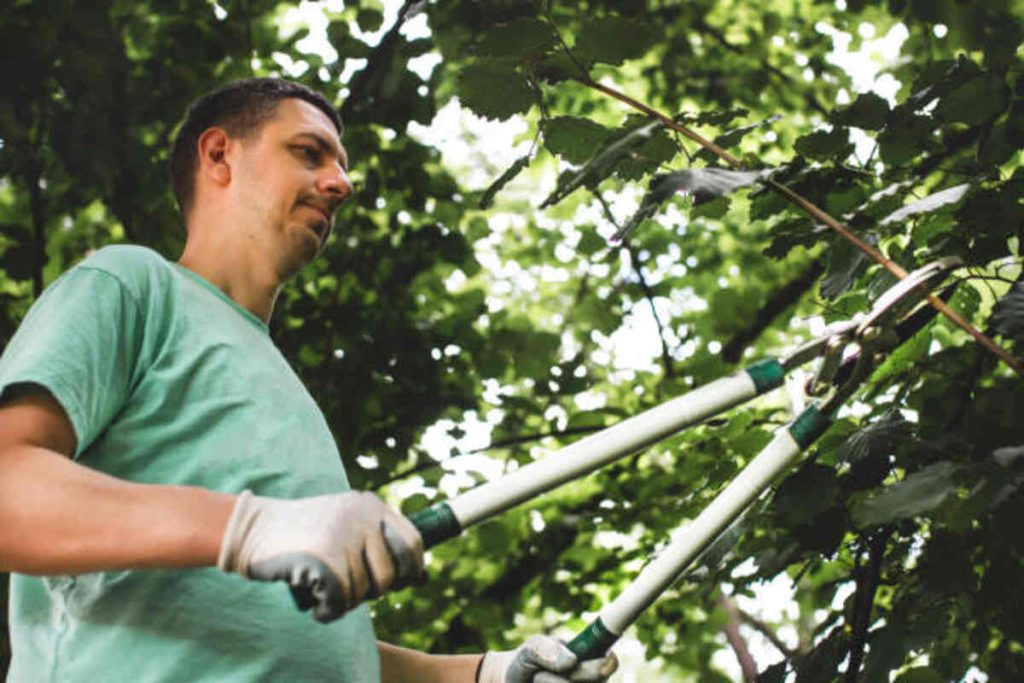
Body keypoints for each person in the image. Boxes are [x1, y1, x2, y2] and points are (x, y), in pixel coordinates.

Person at [0, 78, 618, 682]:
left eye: (341, 166)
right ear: (219, 155)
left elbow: (301, 643)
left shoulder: (278, 381)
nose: (342, 184)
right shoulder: (133, 284)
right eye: (308, 152)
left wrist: (485, 673)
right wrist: (252, 526)